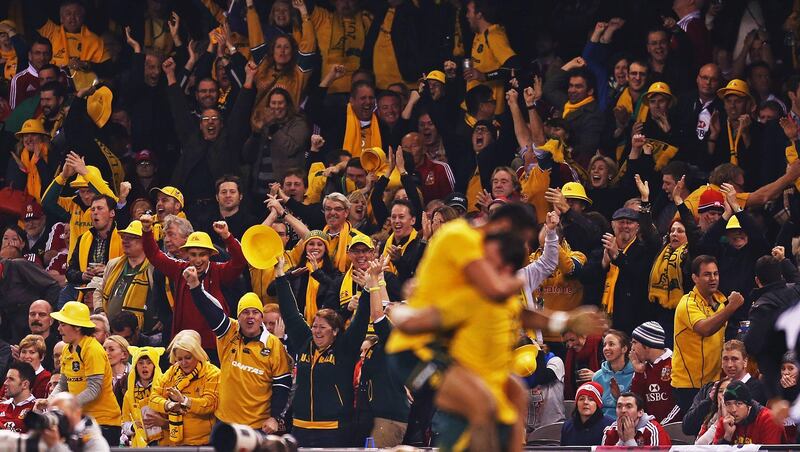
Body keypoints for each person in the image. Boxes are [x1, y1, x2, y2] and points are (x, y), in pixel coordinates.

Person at [274, 254, 370, 447]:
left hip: (334, 430)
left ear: (335, 331)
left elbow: (360, 322)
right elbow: (290, 312)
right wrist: (280, 276)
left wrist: (367, 291)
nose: (316, 331)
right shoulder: (305, 342)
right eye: (315, 326)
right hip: (300, 429)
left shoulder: (345, 348)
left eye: (322, 327)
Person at [185, 268, 292, 433]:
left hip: (258, 427)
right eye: (245, 312)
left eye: (255, 312)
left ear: (261, 318)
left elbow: (282, 385)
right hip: (225, 423)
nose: (250, 316)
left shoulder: (273, 344)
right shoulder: (229, 332)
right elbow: (208, 310)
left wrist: (275, 417)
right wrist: (194, 285)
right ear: (238, 317)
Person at [140, 214, 247, 356]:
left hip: (214, 347)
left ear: (210, 255)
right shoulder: (179, 269)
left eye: (202, 254)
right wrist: (147, 231)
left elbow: (240, 262)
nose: (197, 260)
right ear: (186, 255)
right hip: (185, 345)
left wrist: (227, 236)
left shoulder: (219, 271)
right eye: (193, 254)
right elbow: (154, 255)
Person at [42, 301, 121, 446]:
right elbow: (63, 384)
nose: (58, 329)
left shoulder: (92, 349)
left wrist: (67, 405)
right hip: (81, 421)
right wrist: (50, 401)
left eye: (63, 324)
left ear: (77, 326)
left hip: (104, 423)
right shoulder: (67, 349)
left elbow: (93, 389)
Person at [672, 255, 744, 413]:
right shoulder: (687, 303)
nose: (713, 278)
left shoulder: (720, 300)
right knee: (695, 433)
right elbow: (705, 329)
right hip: (689, 386)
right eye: (707, 274)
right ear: (694, 278)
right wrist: (731, 307)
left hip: (715, 383)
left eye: (715, 274)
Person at [149, 330, 220, 446]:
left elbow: (210, 404)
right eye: (179, 359)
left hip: (201, 443)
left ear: (197, 354)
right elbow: (153, 397)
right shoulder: (172, 371)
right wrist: (169, 405)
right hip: (171, 441)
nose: (183, 363)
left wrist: (184, 401)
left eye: (188, 358)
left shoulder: (213, 373)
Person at [745, 255, 800, 400]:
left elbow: (751, 345)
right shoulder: (796, 292)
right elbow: (796, 278)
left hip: (776, 377)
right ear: (781, 275)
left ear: (757, 280)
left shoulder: (762, 307)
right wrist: (784, 260)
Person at [93, 221, 152, 328]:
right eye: (124, 237)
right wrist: (100, 311)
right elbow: (99, 291)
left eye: (131, 238)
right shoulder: (113, 264)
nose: (125, 241)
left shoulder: (153, 268)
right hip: (110, 331)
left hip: (140, 332)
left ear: (145, 241)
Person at [629, 321, 681, 424]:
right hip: (651, 429)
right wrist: (639, 373)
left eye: (635, 342)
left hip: (674, 428)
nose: (632, 348)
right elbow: (636, 402)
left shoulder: (676, 363)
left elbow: (681, 402)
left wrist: (662, 426)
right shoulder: (641, 367)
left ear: (647, 345)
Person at [712, 380, 784, 445]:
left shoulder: (769, 419)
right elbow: (714, 449)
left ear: (749, 405)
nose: (733, 410)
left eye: (739, 403)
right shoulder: (725, 422)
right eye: (728, 404)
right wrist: (727, 437)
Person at [121, 346, 165, 447]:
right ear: (135, 366)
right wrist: (133, 427)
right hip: (140, 444)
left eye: (149, 362)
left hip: (163, 442)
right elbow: (124, 422)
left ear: (155, 366)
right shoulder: (129, 394)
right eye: (140, 363)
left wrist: (163, 423)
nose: (144, 366)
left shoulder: (164, 388)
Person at [601, 392, 671, 446]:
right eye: (619, 406)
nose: (623, 410)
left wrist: (629, 441)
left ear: (640, 412)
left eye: (629, 406)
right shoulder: (609, 431)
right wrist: (621, 442)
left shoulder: (653, 430)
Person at [592, 330, 635, 417]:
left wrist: (618, 397)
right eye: (604, 345)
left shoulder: (635, 374)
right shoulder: (597, 377)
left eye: (611, 344)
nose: (606, 348)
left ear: (624, 349)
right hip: (602, 424)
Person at [561, 381, 614, 446]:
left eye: (591, 399)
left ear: (597, 404)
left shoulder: (609, 425)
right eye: (581, 399)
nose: (585, 402)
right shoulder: (567, 426)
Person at [720, 340, 767, 405]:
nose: (729, 365)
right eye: (725, 359)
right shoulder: (715, 386)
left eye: (734, 359)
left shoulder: (758, 388)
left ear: (745, 361)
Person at [0, 361, 37, 433]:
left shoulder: (36, 408)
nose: (5, 383)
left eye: (11, 379)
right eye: (6, 379)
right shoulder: (2, 405)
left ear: (25, 384)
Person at [17, 334, 51, 399]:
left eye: (32, 352)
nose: (27, 356)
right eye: (23, 352)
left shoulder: (46, 378)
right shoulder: (13, 374)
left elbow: (37, 403)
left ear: (42, 357)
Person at [103, 335, 130, 408]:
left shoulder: (134, 374)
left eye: (111, 350)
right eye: (104, 349)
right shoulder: (98, 376)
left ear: (124, 354)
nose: (106, 353)